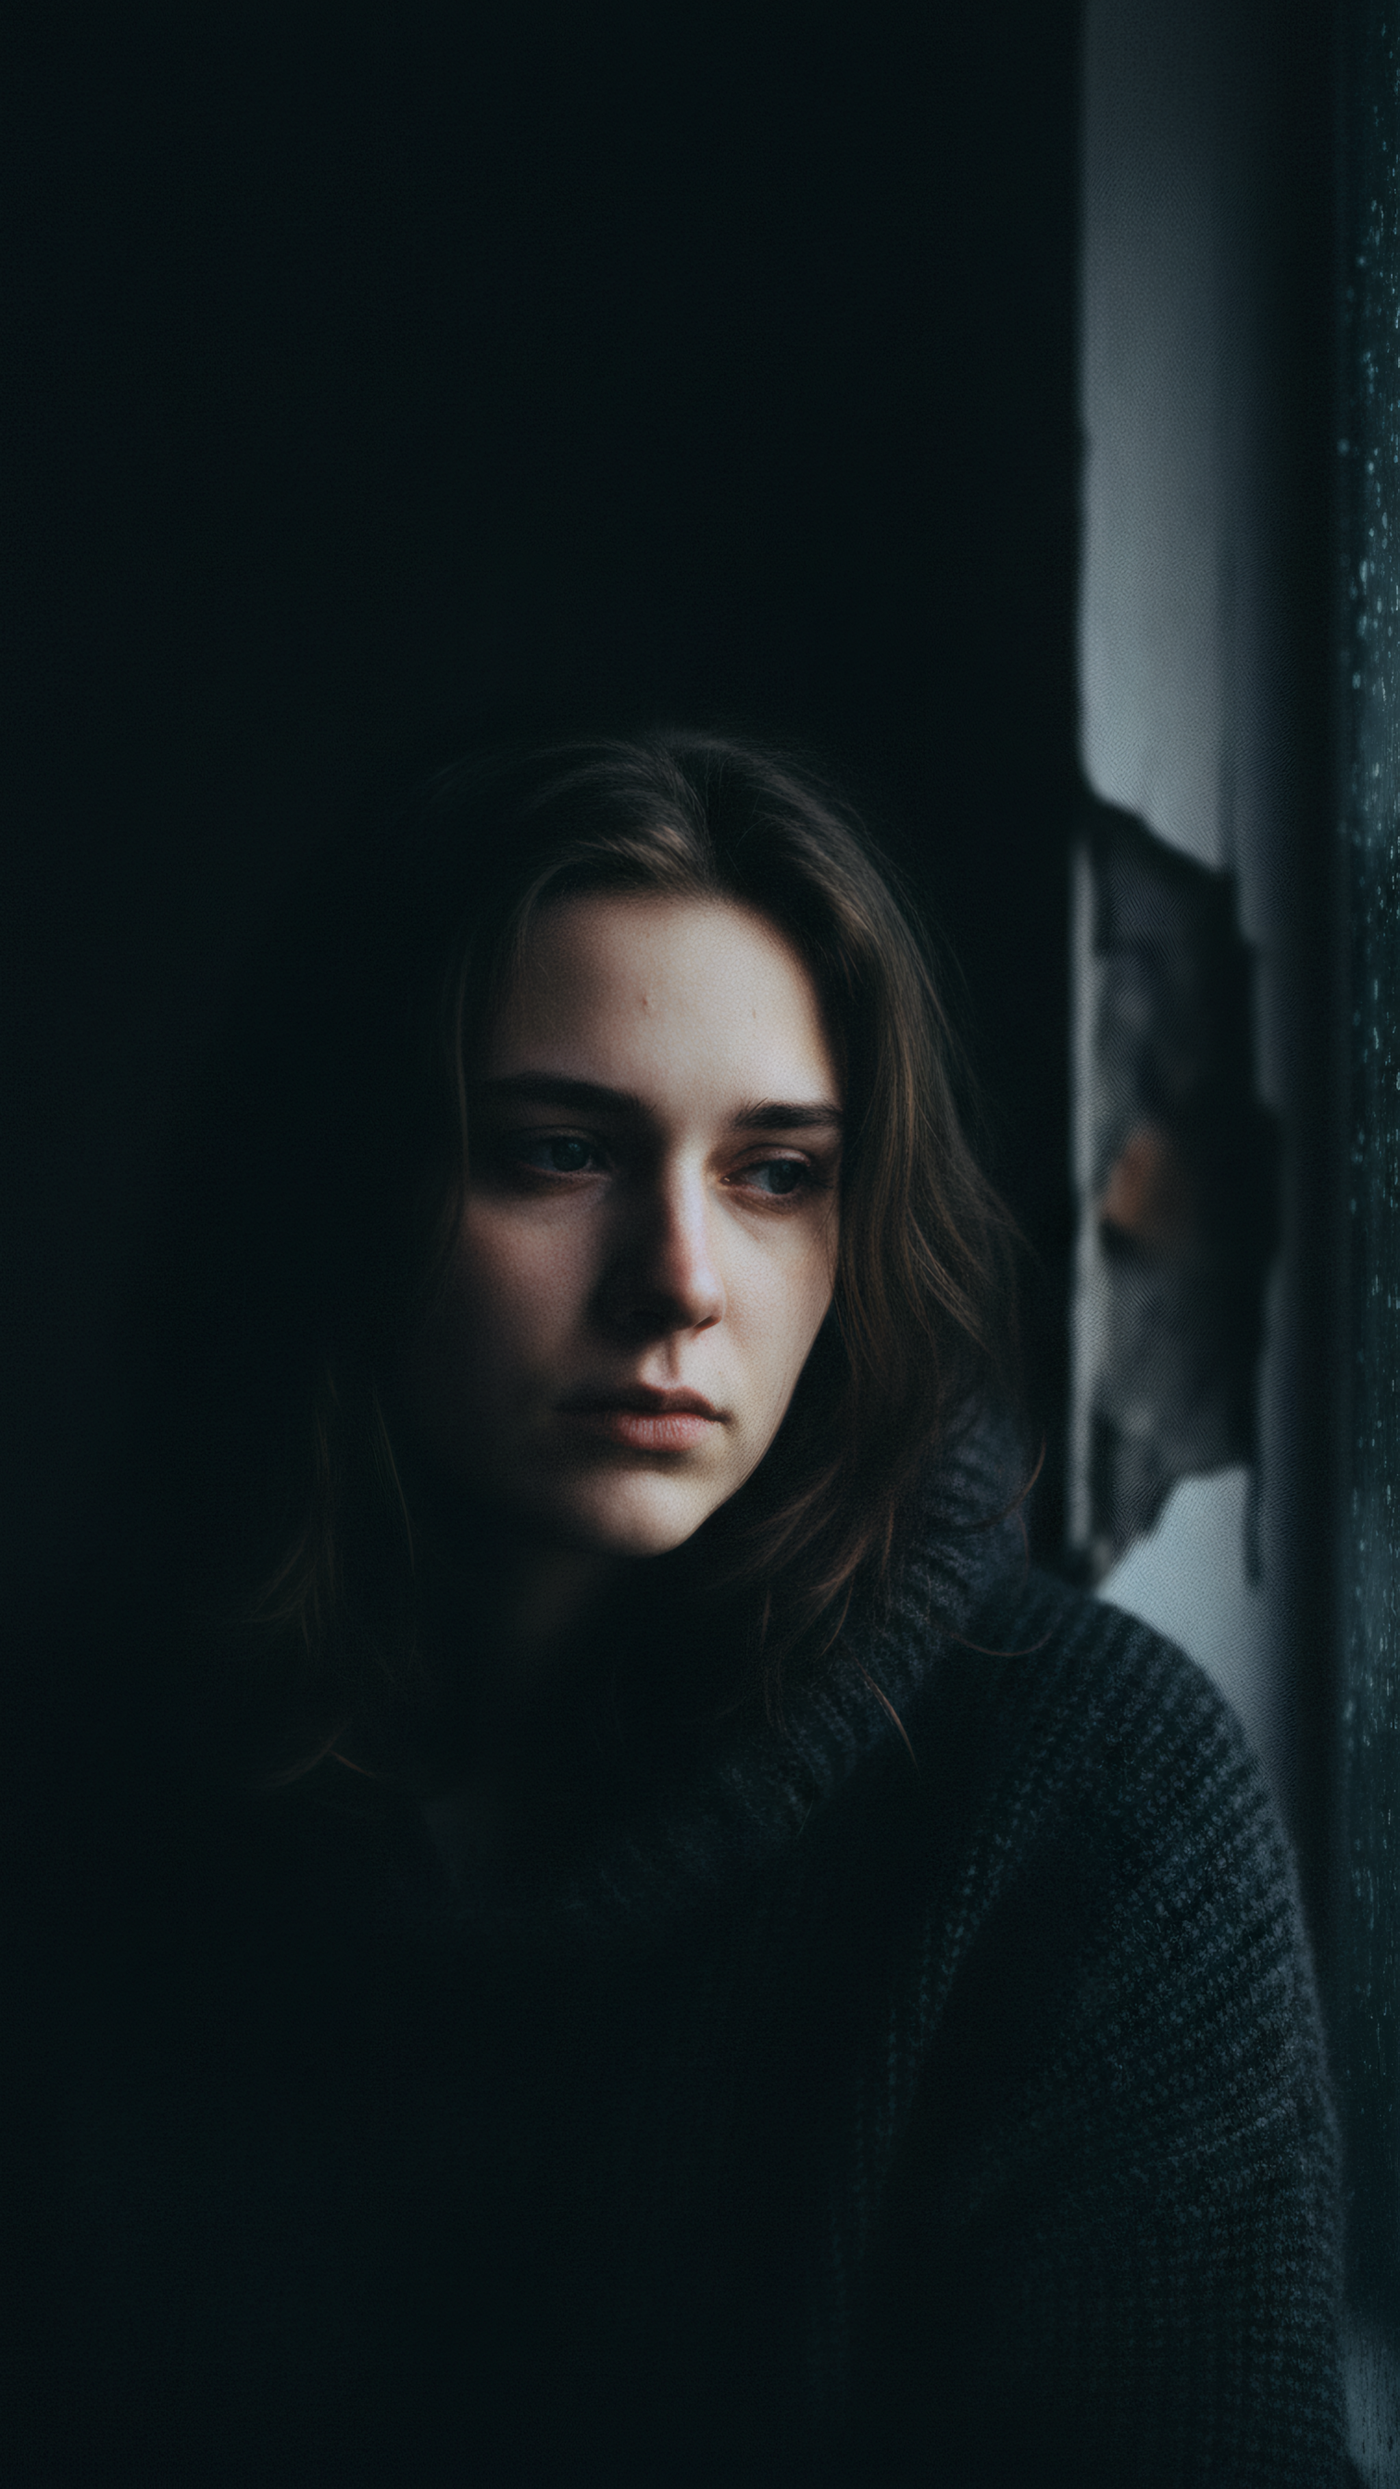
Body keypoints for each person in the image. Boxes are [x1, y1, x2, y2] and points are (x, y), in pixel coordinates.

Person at [12, 732, 1345, 2484]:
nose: (681, 1286)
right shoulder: (87, 1787)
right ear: (344, 1182)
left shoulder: (1086, 1818)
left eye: (777, 1172)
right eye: (561, 1151)